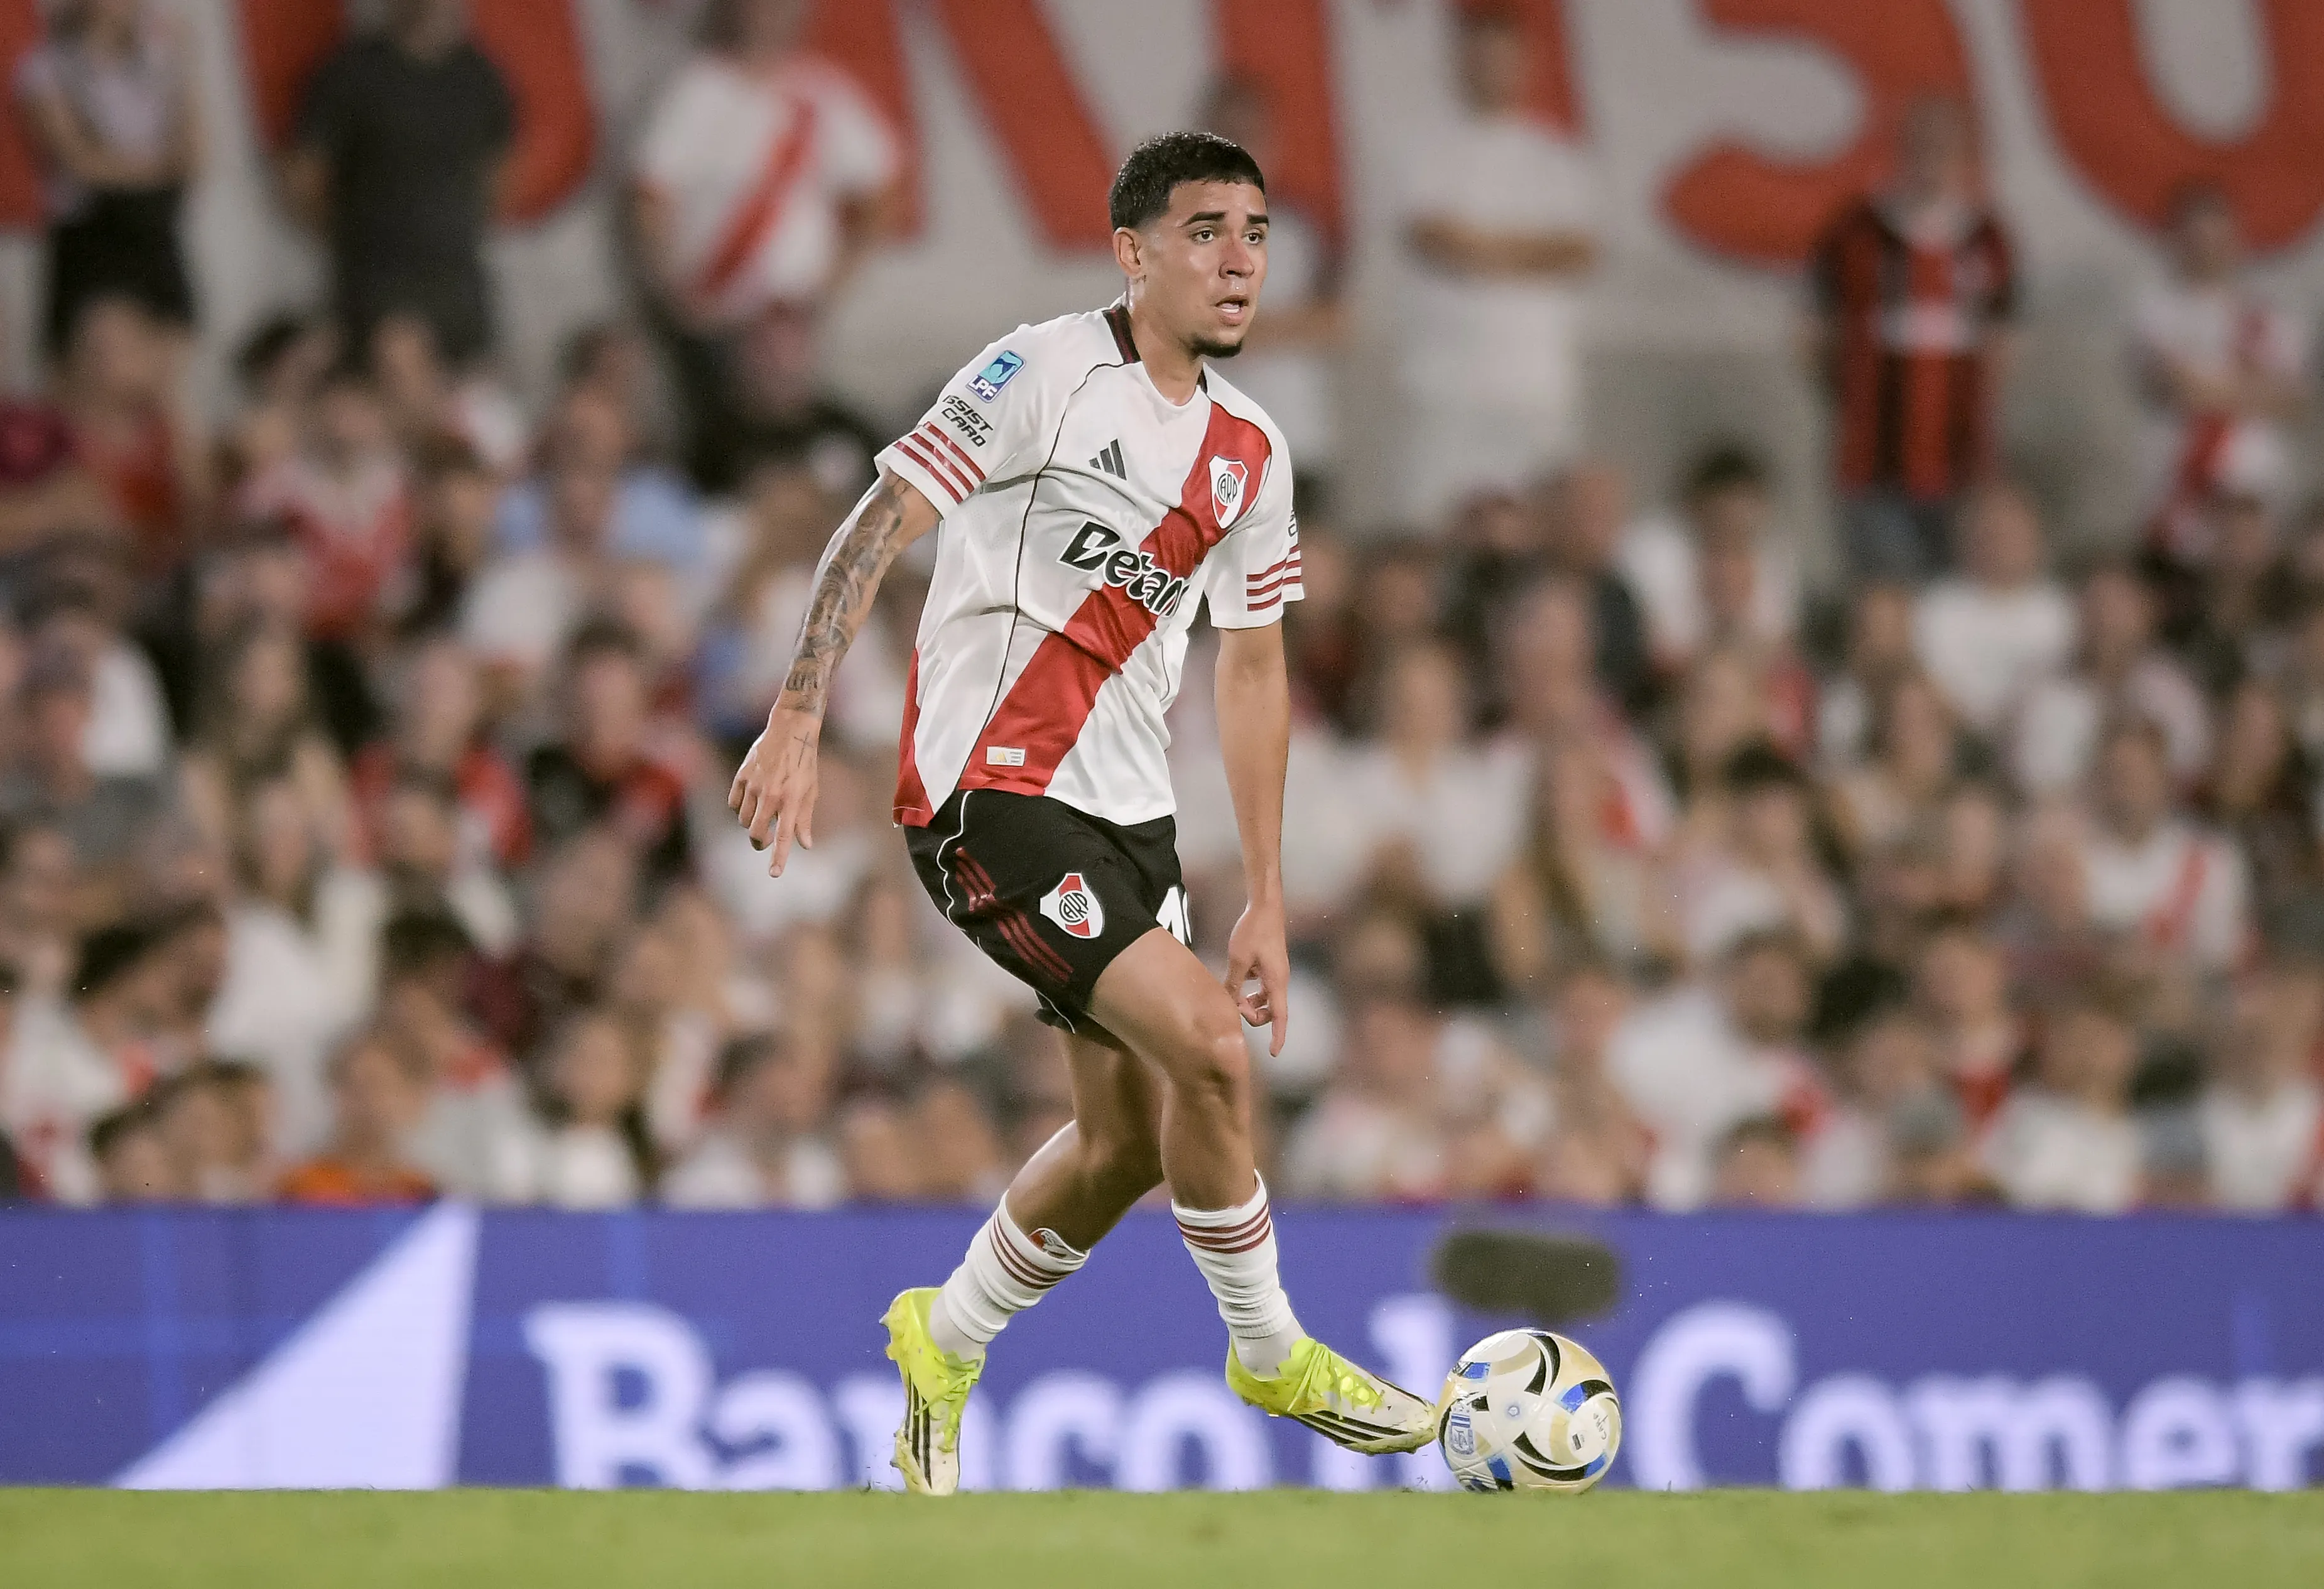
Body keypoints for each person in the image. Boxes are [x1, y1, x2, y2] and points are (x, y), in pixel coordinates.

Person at [723, 131, 1436, 1494]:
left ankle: (942, 1335)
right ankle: (1271, 1348)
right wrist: (802, 704)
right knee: (1214, 1054)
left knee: (1121, 1147)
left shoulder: (1250, 450)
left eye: (1257, 233)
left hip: (1130, 820)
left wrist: (1268, 895)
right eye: (1206, 231)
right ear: (1132, 250)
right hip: (989, 793)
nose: (1239, 261)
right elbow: (877, 521)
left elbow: (1252, 666)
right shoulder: (1036, 369)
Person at [631, 0, 900, 482]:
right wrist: (673, 291)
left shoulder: (822, 93)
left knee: (795, 443)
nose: (767, 16)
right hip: (720, 321)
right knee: (721, 453)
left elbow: (876, 195)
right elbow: (651, 198)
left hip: (790, 319)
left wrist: (831, 286)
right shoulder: (698, 90)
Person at [1395, 3, 1596, 523]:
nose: (1490, 69)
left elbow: (1577, 249)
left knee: (1535, 527)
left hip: (1534, 382)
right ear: (1459, 61)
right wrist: (1528, 253)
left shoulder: (1555, 156)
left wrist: (1481, 251)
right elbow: (1432, 237)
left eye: (1503, 58)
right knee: (1435, 520)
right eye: (1479, 57)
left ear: (1525, 63)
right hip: (1446, 380)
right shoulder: (1428, 147)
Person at [1808, 97, 2016, 578]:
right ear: (1901, 152)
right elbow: (1818, 335)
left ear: (1965, 159)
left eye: (1945, 151)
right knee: (1886, 591)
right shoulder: (1856, 234)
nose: (1932, 163)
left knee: (1956, 593)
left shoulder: (1988, 240)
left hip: (1961, 463)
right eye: (1922, 149)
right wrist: (1850, 401)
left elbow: (2004, 347)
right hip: (1873, 461)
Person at [283, 0, 514, 365]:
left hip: (459, 286)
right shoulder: (351, 73)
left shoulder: (480, 78)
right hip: (377, 288)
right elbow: (304, 178)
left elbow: (500, 173)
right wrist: (356, 236)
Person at [2134, 182, 2308, 572]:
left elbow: (2295, 400)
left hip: (2256, 494)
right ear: (2176, 239)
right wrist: (2254, 387)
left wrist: (2208, 384)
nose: (2208, 247)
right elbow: (2174, 386)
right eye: (2197, 236)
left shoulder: (2270, 317)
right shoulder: (2155, 310)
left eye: (2218, 235)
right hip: (2180, 493)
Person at [15, 0, 204, 359]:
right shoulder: (49, 66)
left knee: (166, 366)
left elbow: (193, 156)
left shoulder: (154, 66)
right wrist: (159, 168)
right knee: (101, 369)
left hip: (154, 231)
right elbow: (80, 162)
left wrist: (184, 60)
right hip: (94, 237)